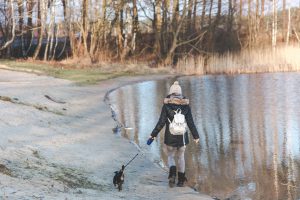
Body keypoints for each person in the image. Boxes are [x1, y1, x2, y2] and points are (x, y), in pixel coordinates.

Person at [148, 81, 199, 187]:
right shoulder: (186, 107)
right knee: (181, 157)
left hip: (170, 137)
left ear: (170, 93)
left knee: (170, 156)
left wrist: (153, 134)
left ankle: (172, 173)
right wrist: (196, 136)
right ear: (180, 94)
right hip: (182, 138)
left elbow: (161, 123)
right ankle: (181, 181)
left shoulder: (166, 107)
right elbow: (190, 122)